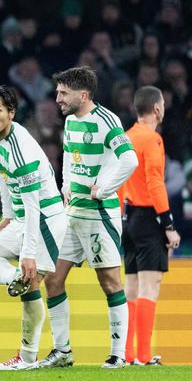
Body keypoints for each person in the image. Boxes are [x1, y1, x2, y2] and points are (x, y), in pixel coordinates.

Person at [39, 66, 139, 369]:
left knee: (109, 281)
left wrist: (104, 188)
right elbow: (70, 156)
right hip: (73, 213)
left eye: (63, 93)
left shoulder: (107, 121)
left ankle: (118, 354)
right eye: (58, 92)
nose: (58, 98)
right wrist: (66, 185)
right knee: (53, 278)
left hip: (99, 214)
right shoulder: (70, 121)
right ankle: (62, 351)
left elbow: (129, 160)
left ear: (83, 95)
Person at [0, 85, 67, 370]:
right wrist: (7, 214)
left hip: (44, 220)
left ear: (11, 113)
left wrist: (28, 253)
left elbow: (34, 206)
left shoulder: (22, 149)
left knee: (32, 283)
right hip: (21, 218)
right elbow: (2, 174)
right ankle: (16, 277)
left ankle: (26, 358)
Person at [120, 86, 181, 365]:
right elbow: (155, 182)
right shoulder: (152, 139)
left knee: (131, 287)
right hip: (148, 219)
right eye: (163, 105)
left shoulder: (126, 137)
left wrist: (120, 216)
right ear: (157, 108)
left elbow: (119, 181)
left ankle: (127, 354)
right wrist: (168, 223)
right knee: (149, 286)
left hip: (128, 218)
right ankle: (144, 356)